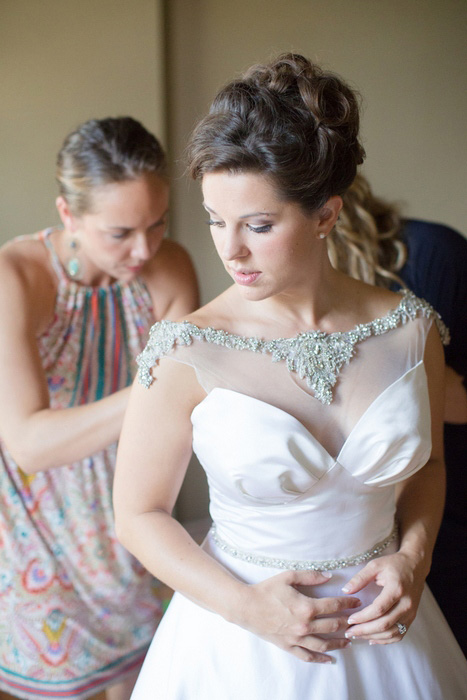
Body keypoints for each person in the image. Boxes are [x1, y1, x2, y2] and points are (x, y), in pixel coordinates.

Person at [113, 56, 467, 699]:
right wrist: (249, 610)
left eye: (259, 225)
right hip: (238, 645)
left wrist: (413, 561)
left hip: (387, 638)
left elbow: (431, 468)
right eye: (217, 220)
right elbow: (138, 514)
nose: (230, 250)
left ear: (326, 215)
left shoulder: (412, 330)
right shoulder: (184, 350)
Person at [0, 117, 199, 700]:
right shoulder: (16, 277)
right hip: (33, 514)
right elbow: (30, 441)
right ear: (68, 216)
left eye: (157, 224)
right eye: (120, 232)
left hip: (127, 496)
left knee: (147, 678)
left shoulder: (171, 268)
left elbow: (185, 409)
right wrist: (155, 389)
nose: (144, 249)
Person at [331, 174, 467, 654]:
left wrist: (407, 380)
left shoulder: (434, 255)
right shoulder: (262, 290)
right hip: (349, 533)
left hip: (446, 511)